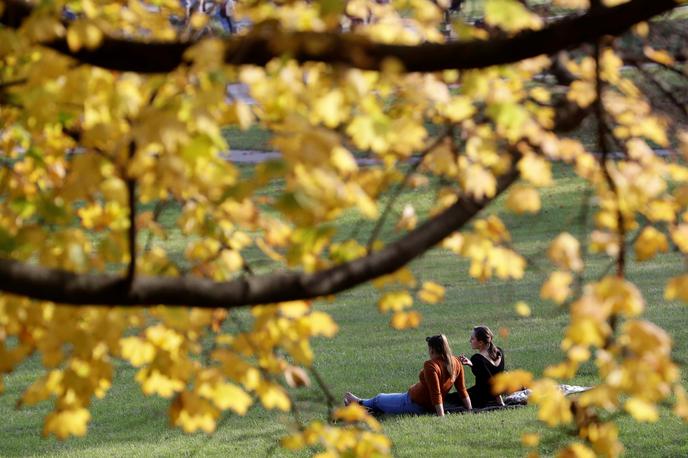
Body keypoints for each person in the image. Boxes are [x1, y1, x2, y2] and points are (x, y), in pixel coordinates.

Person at [344, 334, 472, 416]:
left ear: (432, 349)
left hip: (414, 403)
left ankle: (358, 402)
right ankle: (362, 408)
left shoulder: (431, 365)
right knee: (383, 402)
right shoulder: (456, 362)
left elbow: (436, 393)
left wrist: (441, 417)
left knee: (379, 399)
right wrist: (470, 409)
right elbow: (462, 390)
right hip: (413, 398)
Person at [456, 325, 506, 409]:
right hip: (497, 391)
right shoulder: (499, 351)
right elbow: (489, 373)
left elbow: (490, 381)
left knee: (452, 399)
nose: (470, 341)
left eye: (472, 339)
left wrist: (500, 402)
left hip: (482, 397)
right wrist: (472, 365)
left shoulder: (477, 358)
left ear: (480, 342)